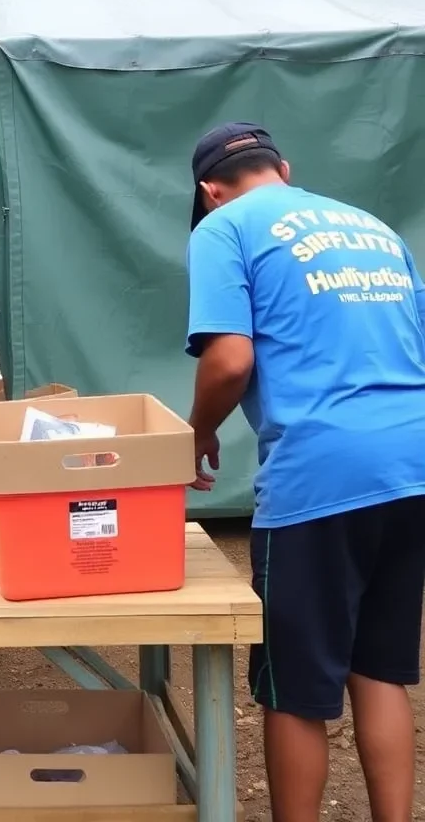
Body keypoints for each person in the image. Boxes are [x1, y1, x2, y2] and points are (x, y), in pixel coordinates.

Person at [185, 121, 425, 822]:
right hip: (412, 464)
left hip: (321, 477)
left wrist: (196, 433)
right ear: (283, 168)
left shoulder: (223, 228)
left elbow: (229, 360)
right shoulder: (373, 227)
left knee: (294, 688)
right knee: (379, 668)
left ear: (209, 191)